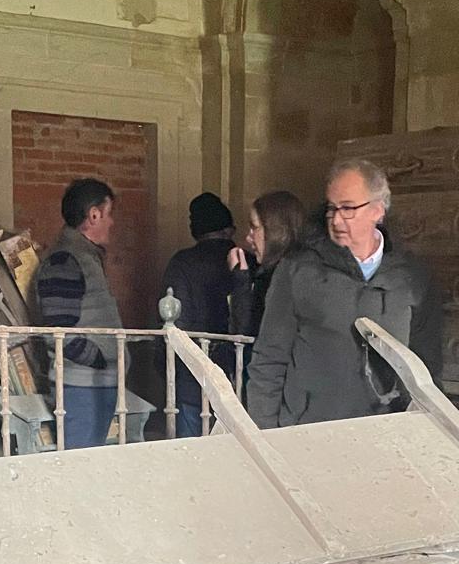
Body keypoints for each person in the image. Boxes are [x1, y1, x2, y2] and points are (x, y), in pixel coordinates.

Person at [245, 159, 442, 429]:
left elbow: (427, 368)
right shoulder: (297, 271)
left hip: (385, 438)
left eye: (348, 208)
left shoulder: (411, 278)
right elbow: (269, 358)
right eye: (332, 208)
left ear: (378, 210)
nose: (336, 220)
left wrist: (424, 433)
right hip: (308, 436)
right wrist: (264, 435)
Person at [35, 177, 125, 449]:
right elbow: (59, 332)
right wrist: (99, 358)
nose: (112, 222)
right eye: (109, 214)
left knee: (90, 464)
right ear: (94, 215)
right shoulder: (64, 259)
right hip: (81, 387)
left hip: (94, 384)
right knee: (79, 467)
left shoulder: (83, 256)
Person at [163, 192, 240, 438]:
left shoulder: (183, 263)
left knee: (192, 456)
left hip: (192, 375)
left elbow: (175, 321)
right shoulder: (245, 260)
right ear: (229, 229)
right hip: (238, 372)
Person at [228, 189, 307, 342]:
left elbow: (246, 335)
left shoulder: (282, 278)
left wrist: (240, 281)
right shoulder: (295, 270)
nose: (248, 237)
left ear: (276, 231)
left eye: (254, 227)